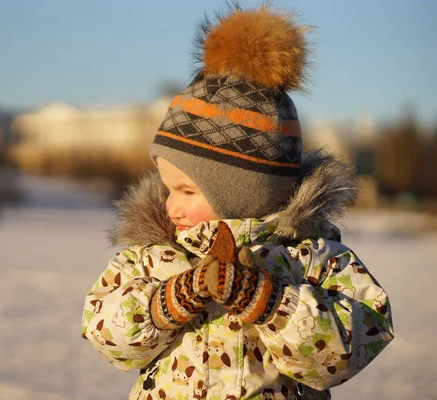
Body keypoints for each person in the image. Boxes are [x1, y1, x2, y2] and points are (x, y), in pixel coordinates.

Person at [81, 4, 394, 399]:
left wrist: (270, 302)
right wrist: (167, 301)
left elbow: (349, 347)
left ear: (247, 195)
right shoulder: (155, 256)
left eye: (188, 191)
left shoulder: (309, 258)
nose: (170, 206)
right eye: (169, 188)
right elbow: (104, 332)